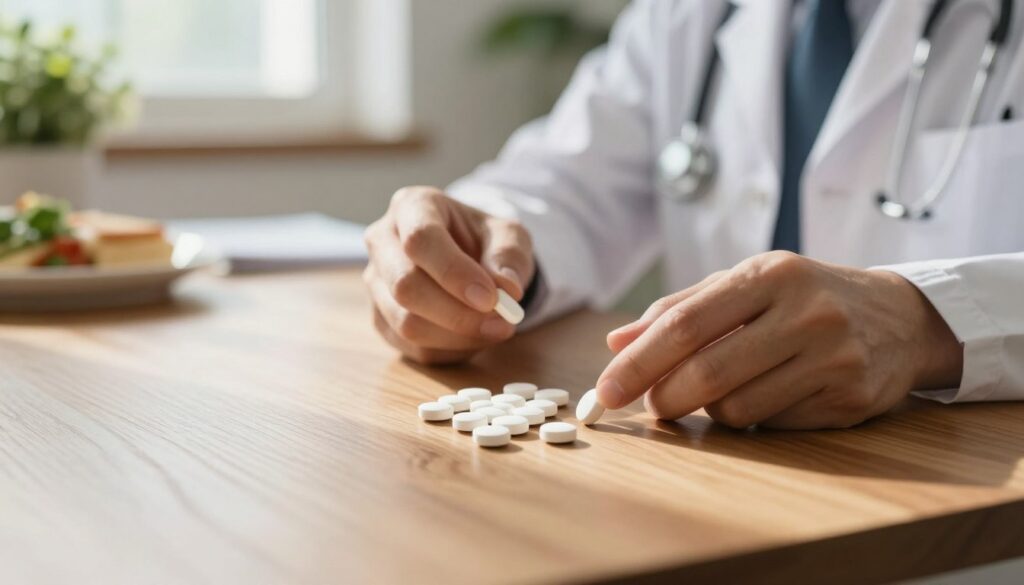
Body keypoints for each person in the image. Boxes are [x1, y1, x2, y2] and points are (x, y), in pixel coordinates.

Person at [363, 0, 1024, 430]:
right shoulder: (687, 16)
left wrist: (930, 323)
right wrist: (475, 250)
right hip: (721, 481)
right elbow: (563, 178)